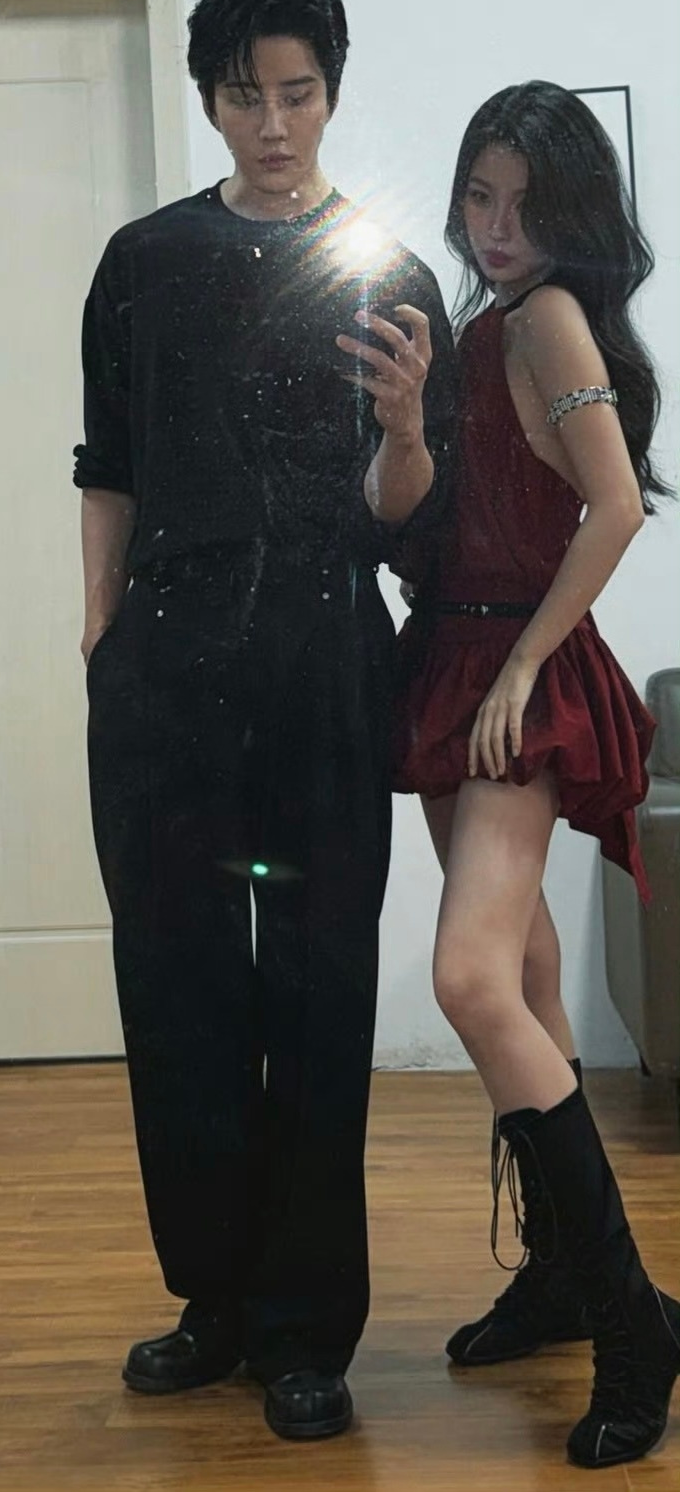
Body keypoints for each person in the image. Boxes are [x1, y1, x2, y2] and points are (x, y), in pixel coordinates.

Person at [74, 0, 457, 1441]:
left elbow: (405, 522)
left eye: (298, 94)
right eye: (246, 95)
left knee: (315, 985)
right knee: (175, 982)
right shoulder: (143, 260)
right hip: (166, 661)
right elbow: (108, 463)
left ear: (331, 94)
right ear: (210, 99)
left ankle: (306, 1325)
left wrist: (409, 425)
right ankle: (214, 1301)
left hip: (321, 656)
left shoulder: (389, 273)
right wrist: (99, 628)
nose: (274, 123)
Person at [388, 81, 679, 1469]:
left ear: (574, 217)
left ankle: (631, 1321)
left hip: (512, 668)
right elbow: (419, 512)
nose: (496, 228)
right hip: (451, 657)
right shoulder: (481, 325)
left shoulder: (548, 314)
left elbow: (614, 504)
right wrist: (400, 423)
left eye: (526, 205)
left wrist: (519, 670)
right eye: (478, 197)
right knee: (534, 970)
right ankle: (566, 1277)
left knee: (468, 980)